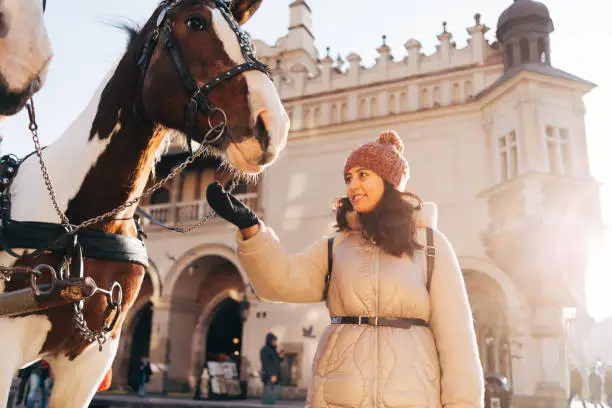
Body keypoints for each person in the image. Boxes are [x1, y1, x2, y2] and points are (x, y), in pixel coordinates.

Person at [206, 130, 484, 407]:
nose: (352, 185)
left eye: (364, 175)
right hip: (338, 398)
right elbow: (280, 282)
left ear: (389, 182)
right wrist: (252, 230)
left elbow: (457, 342)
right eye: (349, 178)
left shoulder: (432, 246)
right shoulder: (335, 246)